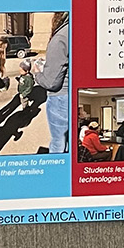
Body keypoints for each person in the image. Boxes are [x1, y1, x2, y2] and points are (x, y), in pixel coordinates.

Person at [40, 13, 71, 154]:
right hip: (74, 94)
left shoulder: (61, 36)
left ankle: (56, 173)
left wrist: (37, 74)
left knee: (58, 142)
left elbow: (51, 82)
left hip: (60, 97)